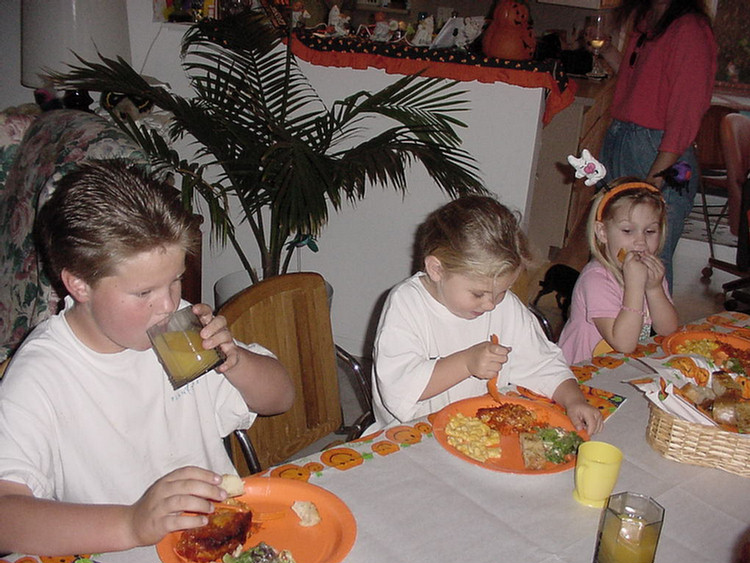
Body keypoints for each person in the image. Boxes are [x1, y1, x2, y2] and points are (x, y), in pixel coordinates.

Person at [0, 160, 295, 556]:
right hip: (117, 550)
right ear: (78, 284)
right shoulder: (43, 374)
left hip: (219, 538)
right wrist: (132, 522)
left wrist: (236, 360)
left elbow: (281, 398)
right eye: (144, 293)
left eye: (175, 279)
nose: (168, 304)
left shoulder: (179, 330)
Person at [370, 195, 603, 435]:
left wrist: (574, 399)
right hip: (413, 436)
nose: (491, 305)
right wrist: (466, 362)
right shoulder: (407, 304)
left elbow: (542, 363)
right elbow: (399, 389)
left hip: (481, 429)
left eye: (502, 291)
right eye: (478, 293)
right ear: (437, 269)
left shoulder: (504, 306)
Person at [597, 0, 717, 290]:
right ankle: (614, 332)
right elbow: (639, 83)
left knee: (650, 269)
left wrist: (650, 187)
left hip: (662, 154)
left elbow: (684, 120)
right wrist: (607, 51)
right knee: (616, 261)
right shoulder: (649, 18)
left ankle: (649, 335)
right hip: (625, 140)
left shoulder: (690, 29)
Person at [558, 180, 679, 365]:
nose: (640, 242)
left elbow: (668, 330)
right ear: (602, 232)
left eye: (650, 231)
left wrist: (655, 289)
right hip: (579, 373)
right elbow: (623, 343)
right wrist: (635, 287)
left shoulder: (649, 273)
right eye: (628, 231)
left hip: (620, 369)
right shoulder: (596, 280)